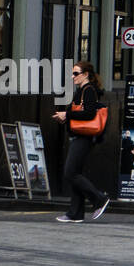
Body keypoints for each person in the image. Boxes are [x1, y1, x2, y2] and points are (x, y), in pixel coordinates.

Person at [52, 61, 111, 223]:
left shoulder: (89, 90)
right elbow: (80, 114)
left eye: (76, 73)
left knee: (70, 172)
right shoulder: (83, 90)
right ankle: (75, 213)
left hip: (84, 137)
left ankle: (99, 199)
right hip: (80, 135)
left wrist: (67, 115)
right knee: (75, 174)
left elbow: (89, 114)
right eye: (72, 73)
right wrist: (65, 117)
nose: (72, 77)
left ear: (85, 75)